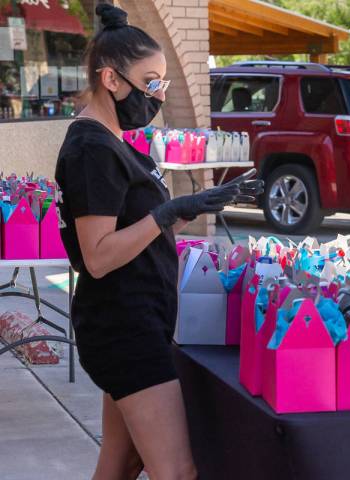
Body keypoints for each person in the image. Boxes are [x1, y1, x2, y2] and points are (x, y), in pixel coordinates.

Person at [54, 5, 262, 479]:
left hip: (134, 319)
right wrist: (167, 212)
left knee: (121, 462)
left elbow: (139, 233)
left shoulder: (115, 142)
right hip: (124, 328)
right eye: (150, 83)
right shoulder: (92, 148)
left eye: (163, 83)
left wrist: (192, 208)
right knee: (176, 471)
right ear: (111, 79)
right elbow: (99, 257)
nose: (158, 95)